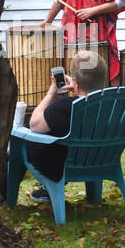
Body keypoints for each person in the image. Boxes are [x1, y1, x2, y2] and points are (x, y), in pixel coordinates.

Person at [26, 49, 108, 203]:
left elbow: (34, 125)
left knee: (19, 144)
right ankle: (92, 197)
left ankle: (5, 195)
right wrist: (78, 88)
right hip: (100, 161)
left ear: (75, 83)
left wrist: (51, 93)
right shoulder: (112, 105)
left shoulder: (64, 107)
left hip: (61, 165)